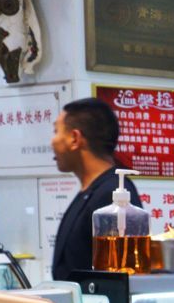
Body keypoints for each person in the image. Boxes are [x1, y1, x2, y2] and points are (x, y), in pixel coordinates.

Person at [48, 98, 139, 282]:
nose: (52, 141)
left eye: (56, 131)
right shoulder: (91, 191)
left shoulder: (114, 194)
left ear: (75, 138)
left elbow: (120, 279)